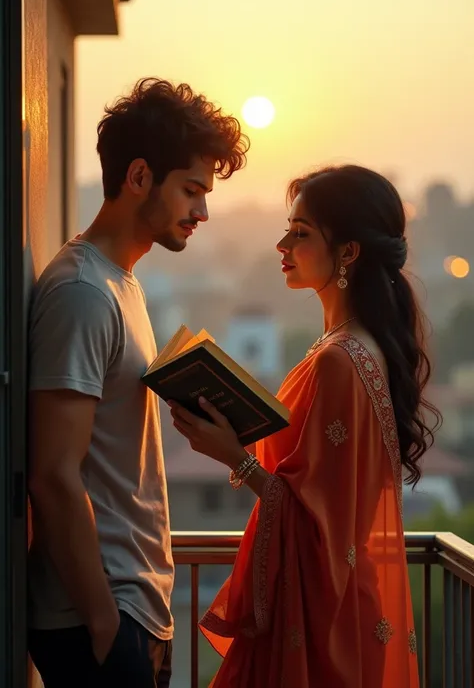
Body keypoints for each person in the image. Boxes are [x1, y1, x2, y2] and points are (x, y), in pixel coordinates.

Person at [168, 164, 440, 687]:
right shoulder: (356, 347)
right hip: (337, 604)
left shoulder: (341, 358)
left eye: (301, 232)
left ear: (349, 252)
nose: (281, 245)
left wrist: (235, 456)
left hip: (321, 619)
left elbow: (320, 528)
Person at [27, 77, 249, 688]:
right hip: (98, 614)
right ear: (140, 177)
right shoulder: (81, 293)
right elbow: (53, 473)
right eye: (191, 190)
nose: (201, 211)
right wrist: (103, 620)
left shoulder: (122, 284)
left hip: (134, 606)